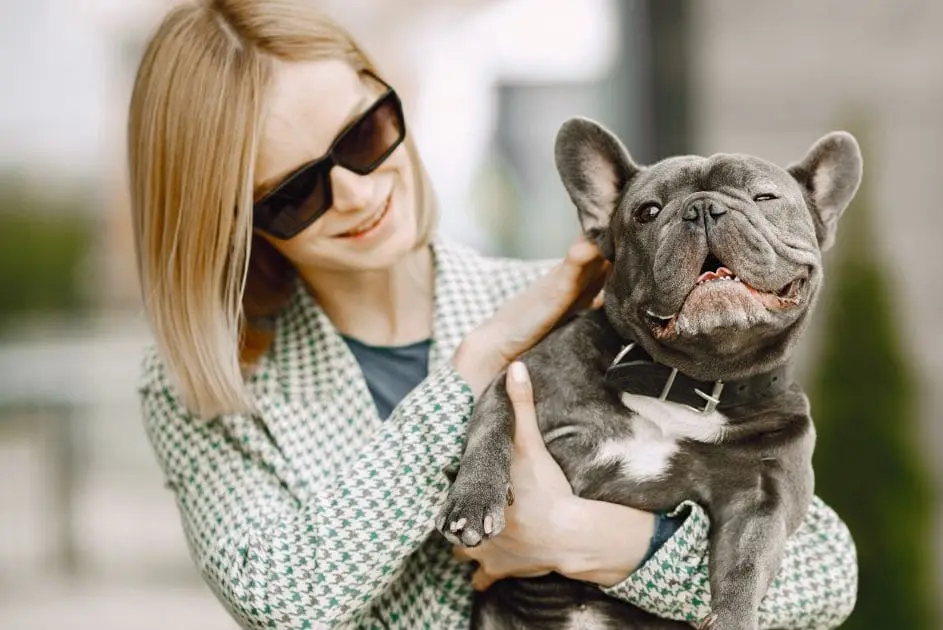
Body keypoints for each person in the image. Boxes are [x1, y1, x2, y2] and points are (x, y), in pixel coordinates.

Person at [128, 1, 859, 628]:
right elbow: (284, 603)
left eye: (363, 136)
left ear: (391, 96)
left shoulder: (589, 309)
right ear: (232, 218)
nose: (357, 192)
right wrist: (474, 365)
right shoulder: (205, 384)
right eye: (297, 191)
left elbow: (823, 572)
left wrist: (591, 539)